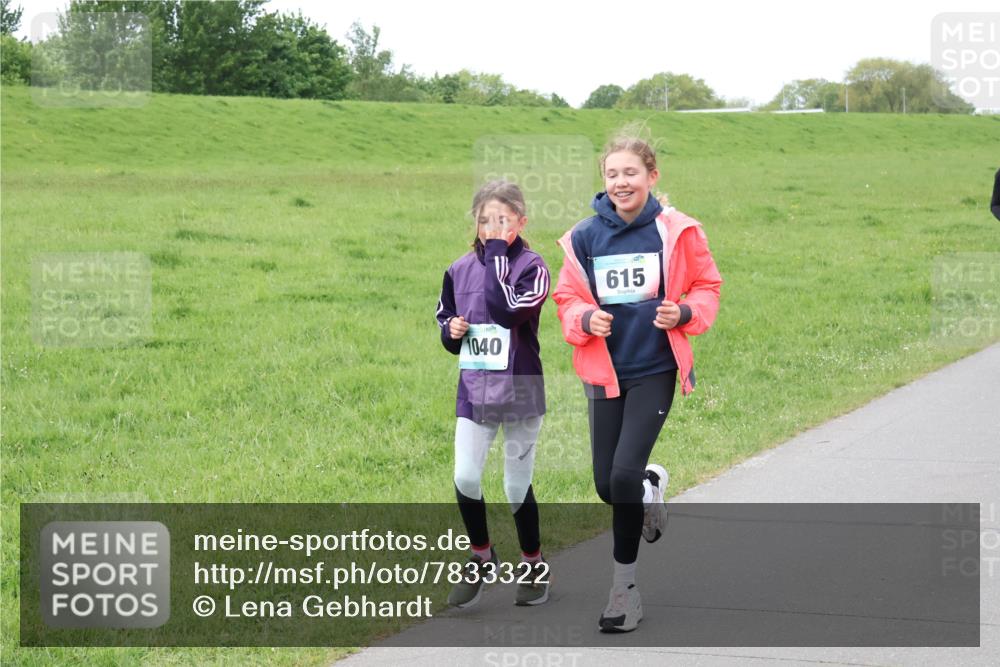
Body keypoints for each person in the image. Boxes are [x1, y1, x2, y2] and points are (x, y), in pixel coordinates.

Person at [552, 132, 722, 632]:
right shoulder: (583, 237)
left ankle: (623, 592)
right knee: (608, 484)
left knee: (621, 475)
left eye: (631, 172)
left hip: (654, 369)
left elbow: (708, 286)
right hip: (603, 371)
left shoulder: (677, 232)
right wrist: (585, 319)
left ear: (652, 176)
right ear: (603, 181)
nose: (621, 182)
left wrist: (685, 311)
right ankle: (650, 487)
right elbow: (566, 300)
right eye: (612, 174)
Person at [436, 179, 551, 608]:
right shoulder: (457, 269)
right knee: (465, 476)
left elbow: (506, 311)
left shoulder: (533, 267)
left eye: (502, 220)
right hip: (474, 391)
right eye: (484, 220)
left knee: (514, 485)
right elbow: (445, 322)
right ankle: (482, 556)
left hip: (520, 391)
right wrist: (452, 331)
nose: (491, 228)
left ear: (521, 222)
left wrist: (499, 254)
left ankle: (535, 564)